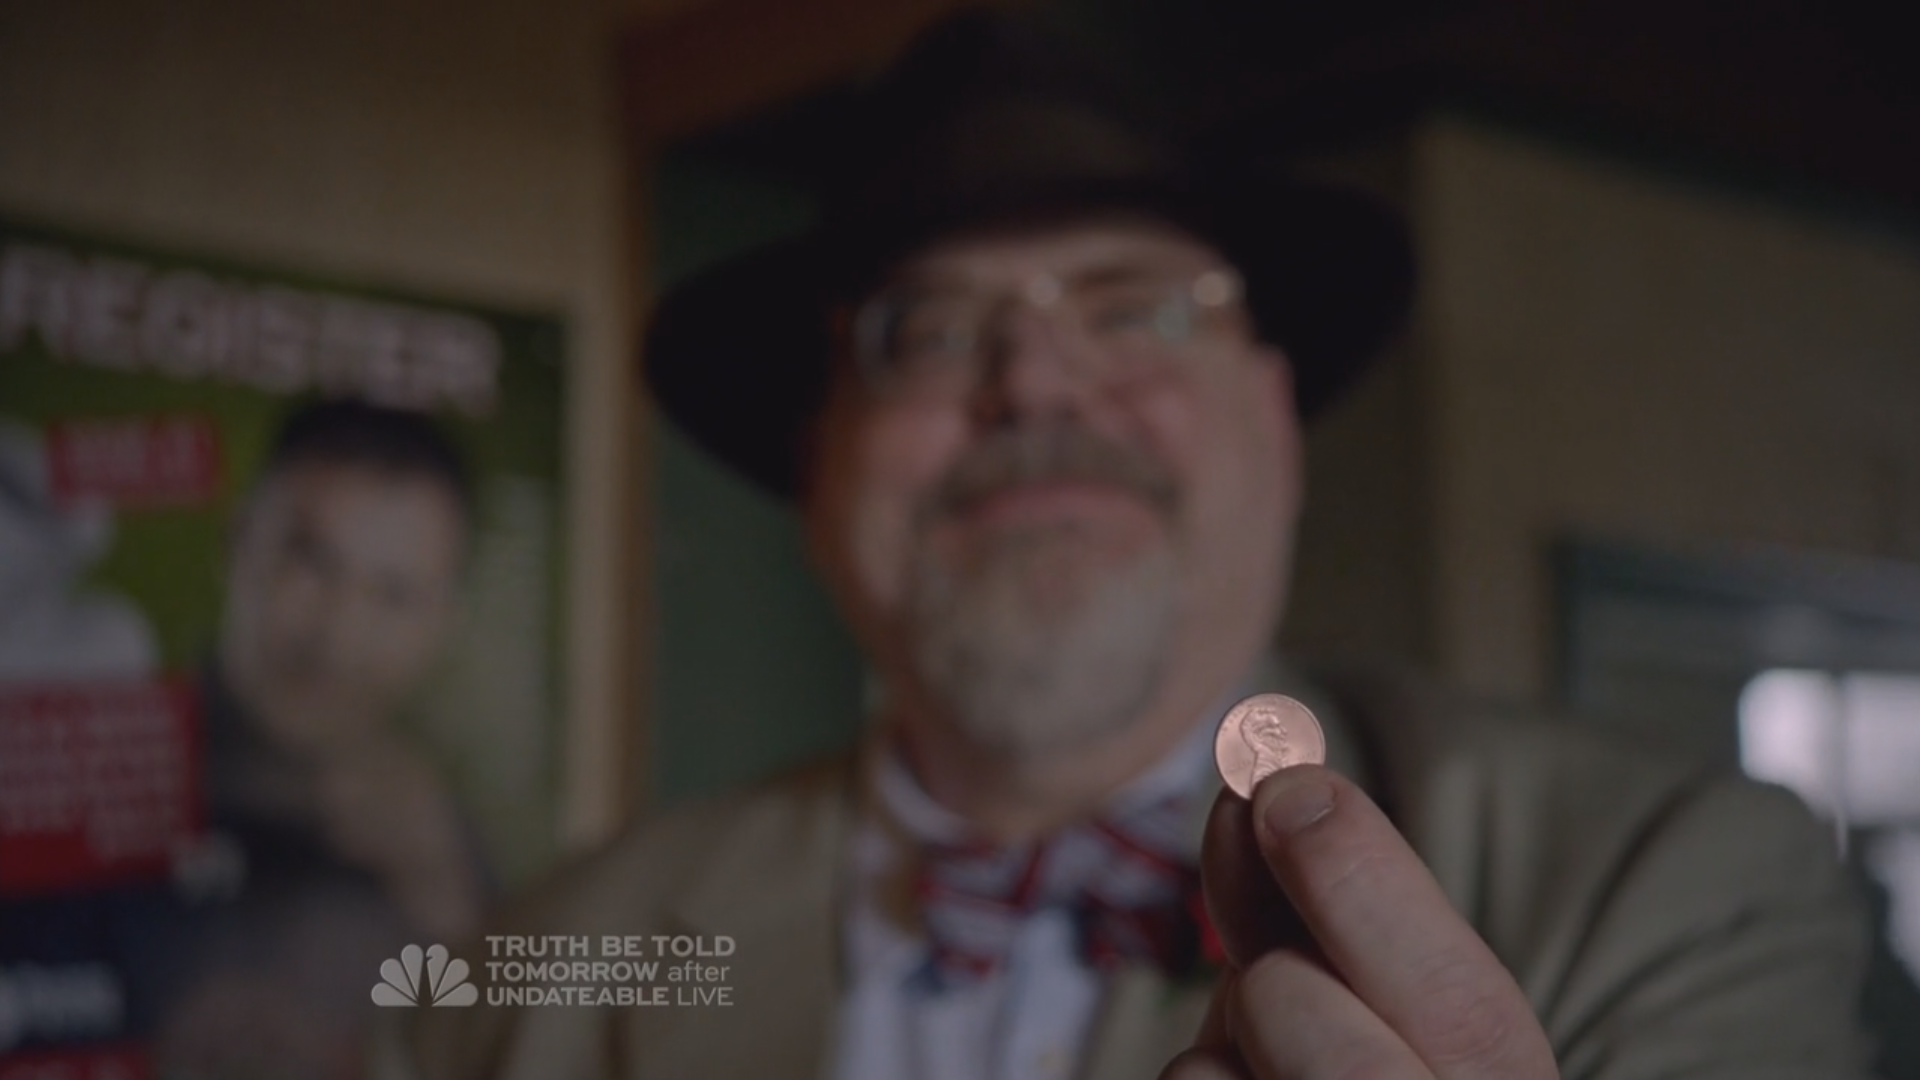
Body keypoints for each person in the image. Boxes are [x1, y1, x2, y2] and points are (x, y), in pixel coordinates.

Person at [380, 15, 1873, 1080]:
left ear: (1274, 421)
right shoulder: (505, 990)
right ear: (818, 462)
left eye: (1137, 308)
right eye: (930, 331)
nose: (1035, 382)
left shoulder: (1671, 890)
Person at [157, 397, 492, 1079]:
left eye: (393, 594)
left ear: (442, 624)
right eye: (310, 563)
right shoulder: (96, 772)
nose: (336, 633)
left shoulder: (449, 847)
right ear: (238, 542)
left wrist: (446, 903)